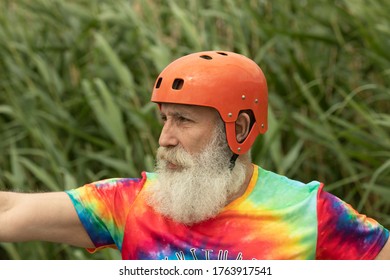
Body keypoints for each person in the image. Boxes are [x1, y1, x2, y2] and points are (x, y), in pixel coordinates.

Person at [0, 51, 389, 260]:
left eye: (184, 120)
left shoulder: (310, 211)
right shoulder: (129, 203)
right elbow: (11, 211)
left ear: (238, 129)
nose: (165, 138)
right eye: (165, 119)